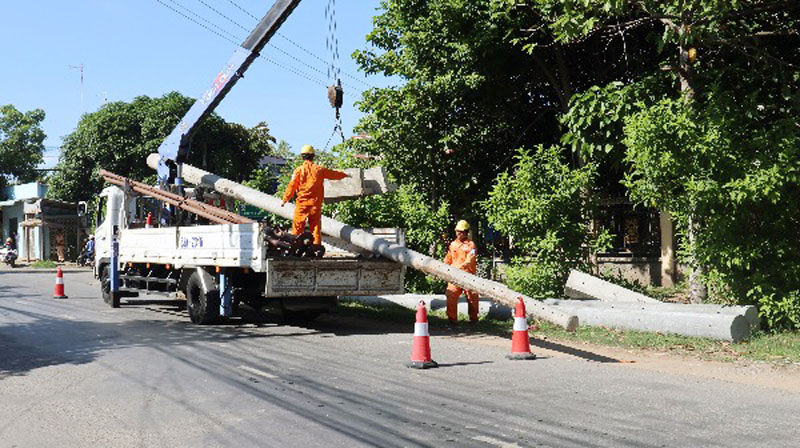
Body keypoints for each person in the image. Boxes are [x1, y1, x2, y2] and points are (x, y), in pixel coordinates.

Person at [281, 144, 349, 245]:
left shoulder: (298, 170)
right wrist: (345, 175)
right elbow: (333, 174)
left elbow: (292, 186)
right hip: (315, 204)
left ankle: (295, 246)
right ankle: (316, 248)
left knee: (298, 226)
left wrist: (285, 200)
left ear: (302, 157)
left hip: (302, 204)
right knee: (315, 227)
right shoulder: (319, 170)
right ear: (313, 156)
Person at [444, 220, 479, 325]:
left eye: (461, 231)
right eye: (457, 231)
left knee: (472, 297)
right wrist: (442, 268)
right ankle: (452, 320)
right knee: (451, 295)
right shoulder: (453, 245)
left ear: (466, 232)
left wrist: (459, 267)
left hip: (468, 275)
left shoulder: (471, 245)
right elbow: (448, 259)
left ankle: (473, 320)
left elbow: (469, 260)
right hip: (454, 276)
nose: (458, 233)